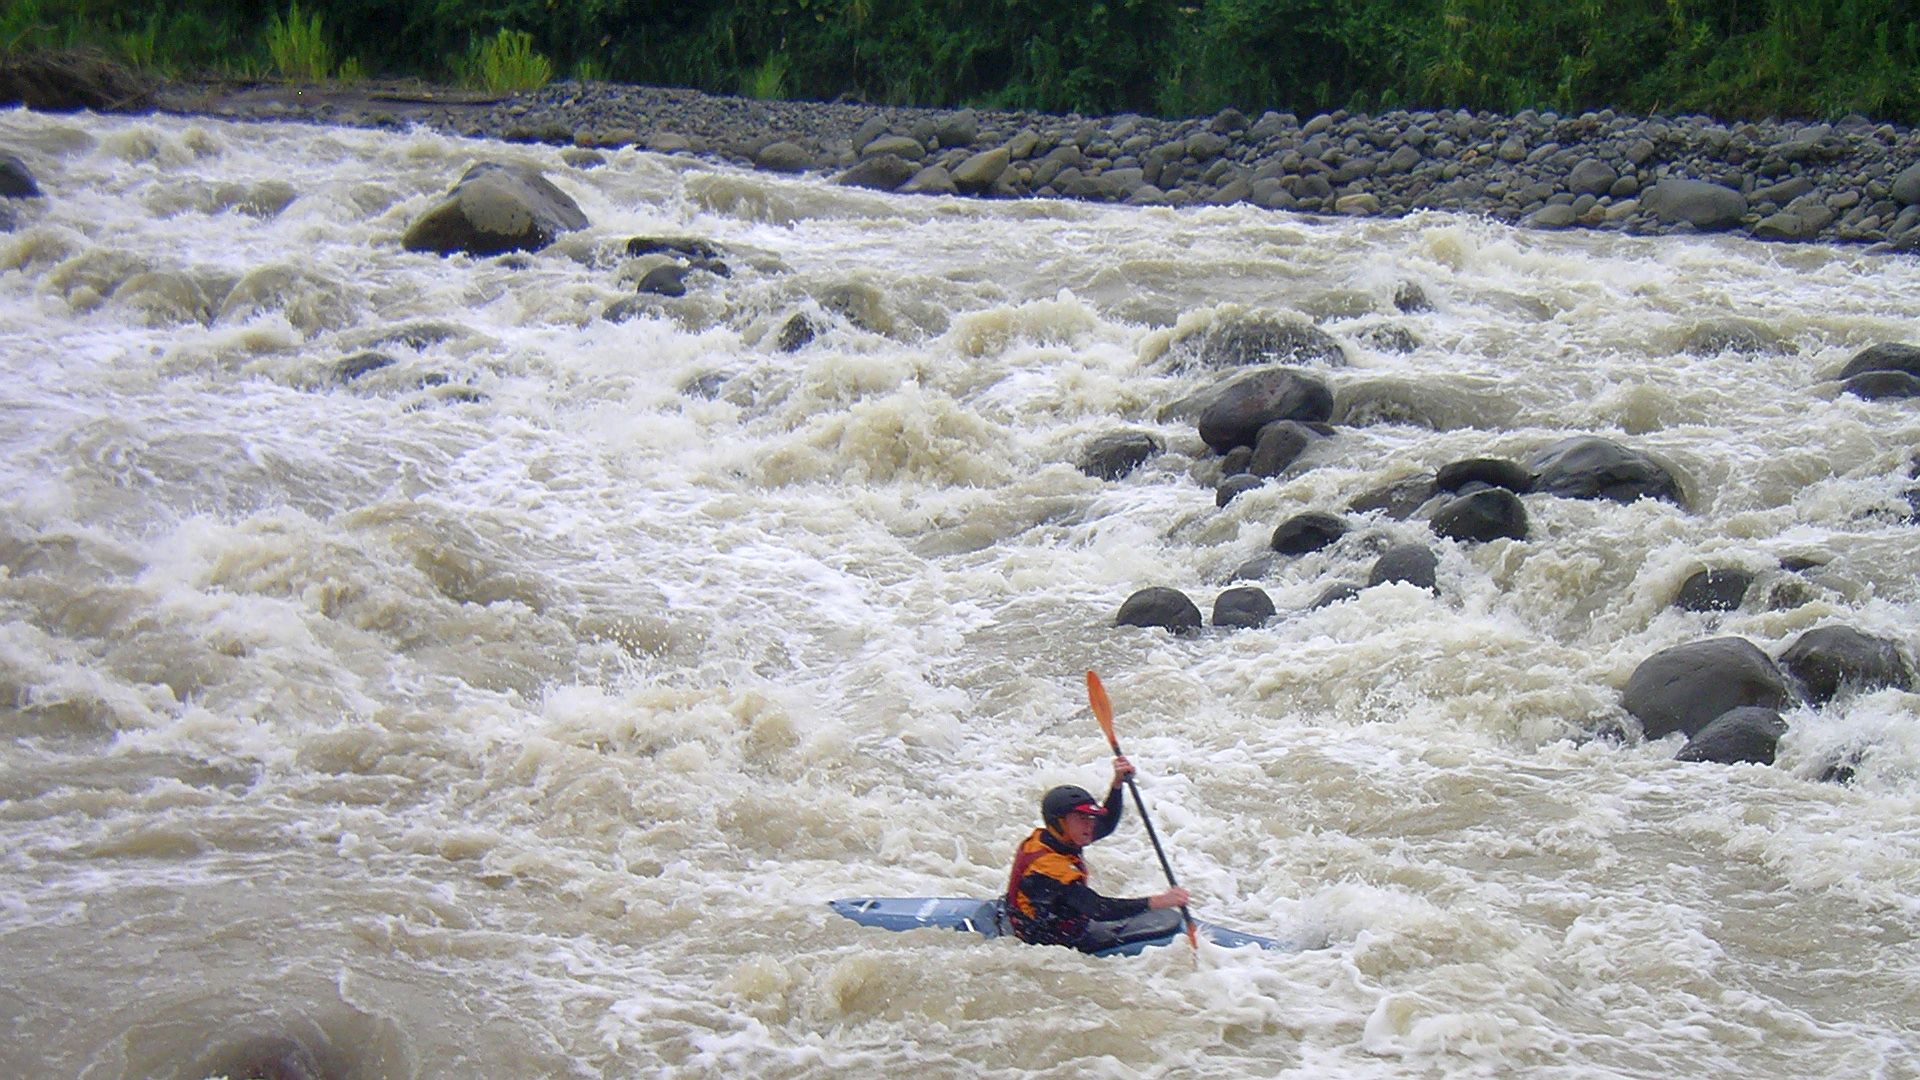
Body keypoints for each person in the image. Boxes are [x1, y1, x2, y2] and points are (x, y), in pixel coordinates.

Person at [1004, 755, 1191, 952]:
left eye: (1091, 818)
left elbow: (1107, 824)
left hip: (1037, 916)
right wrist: (1159, 901)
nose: (1090, 825)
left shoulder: (1052, 838)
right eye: (1081, 818)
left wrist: (1117, 783)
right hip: (1042, 940)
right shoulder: (1049, 869)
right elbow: (1098, 909)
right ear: (1059, 822)